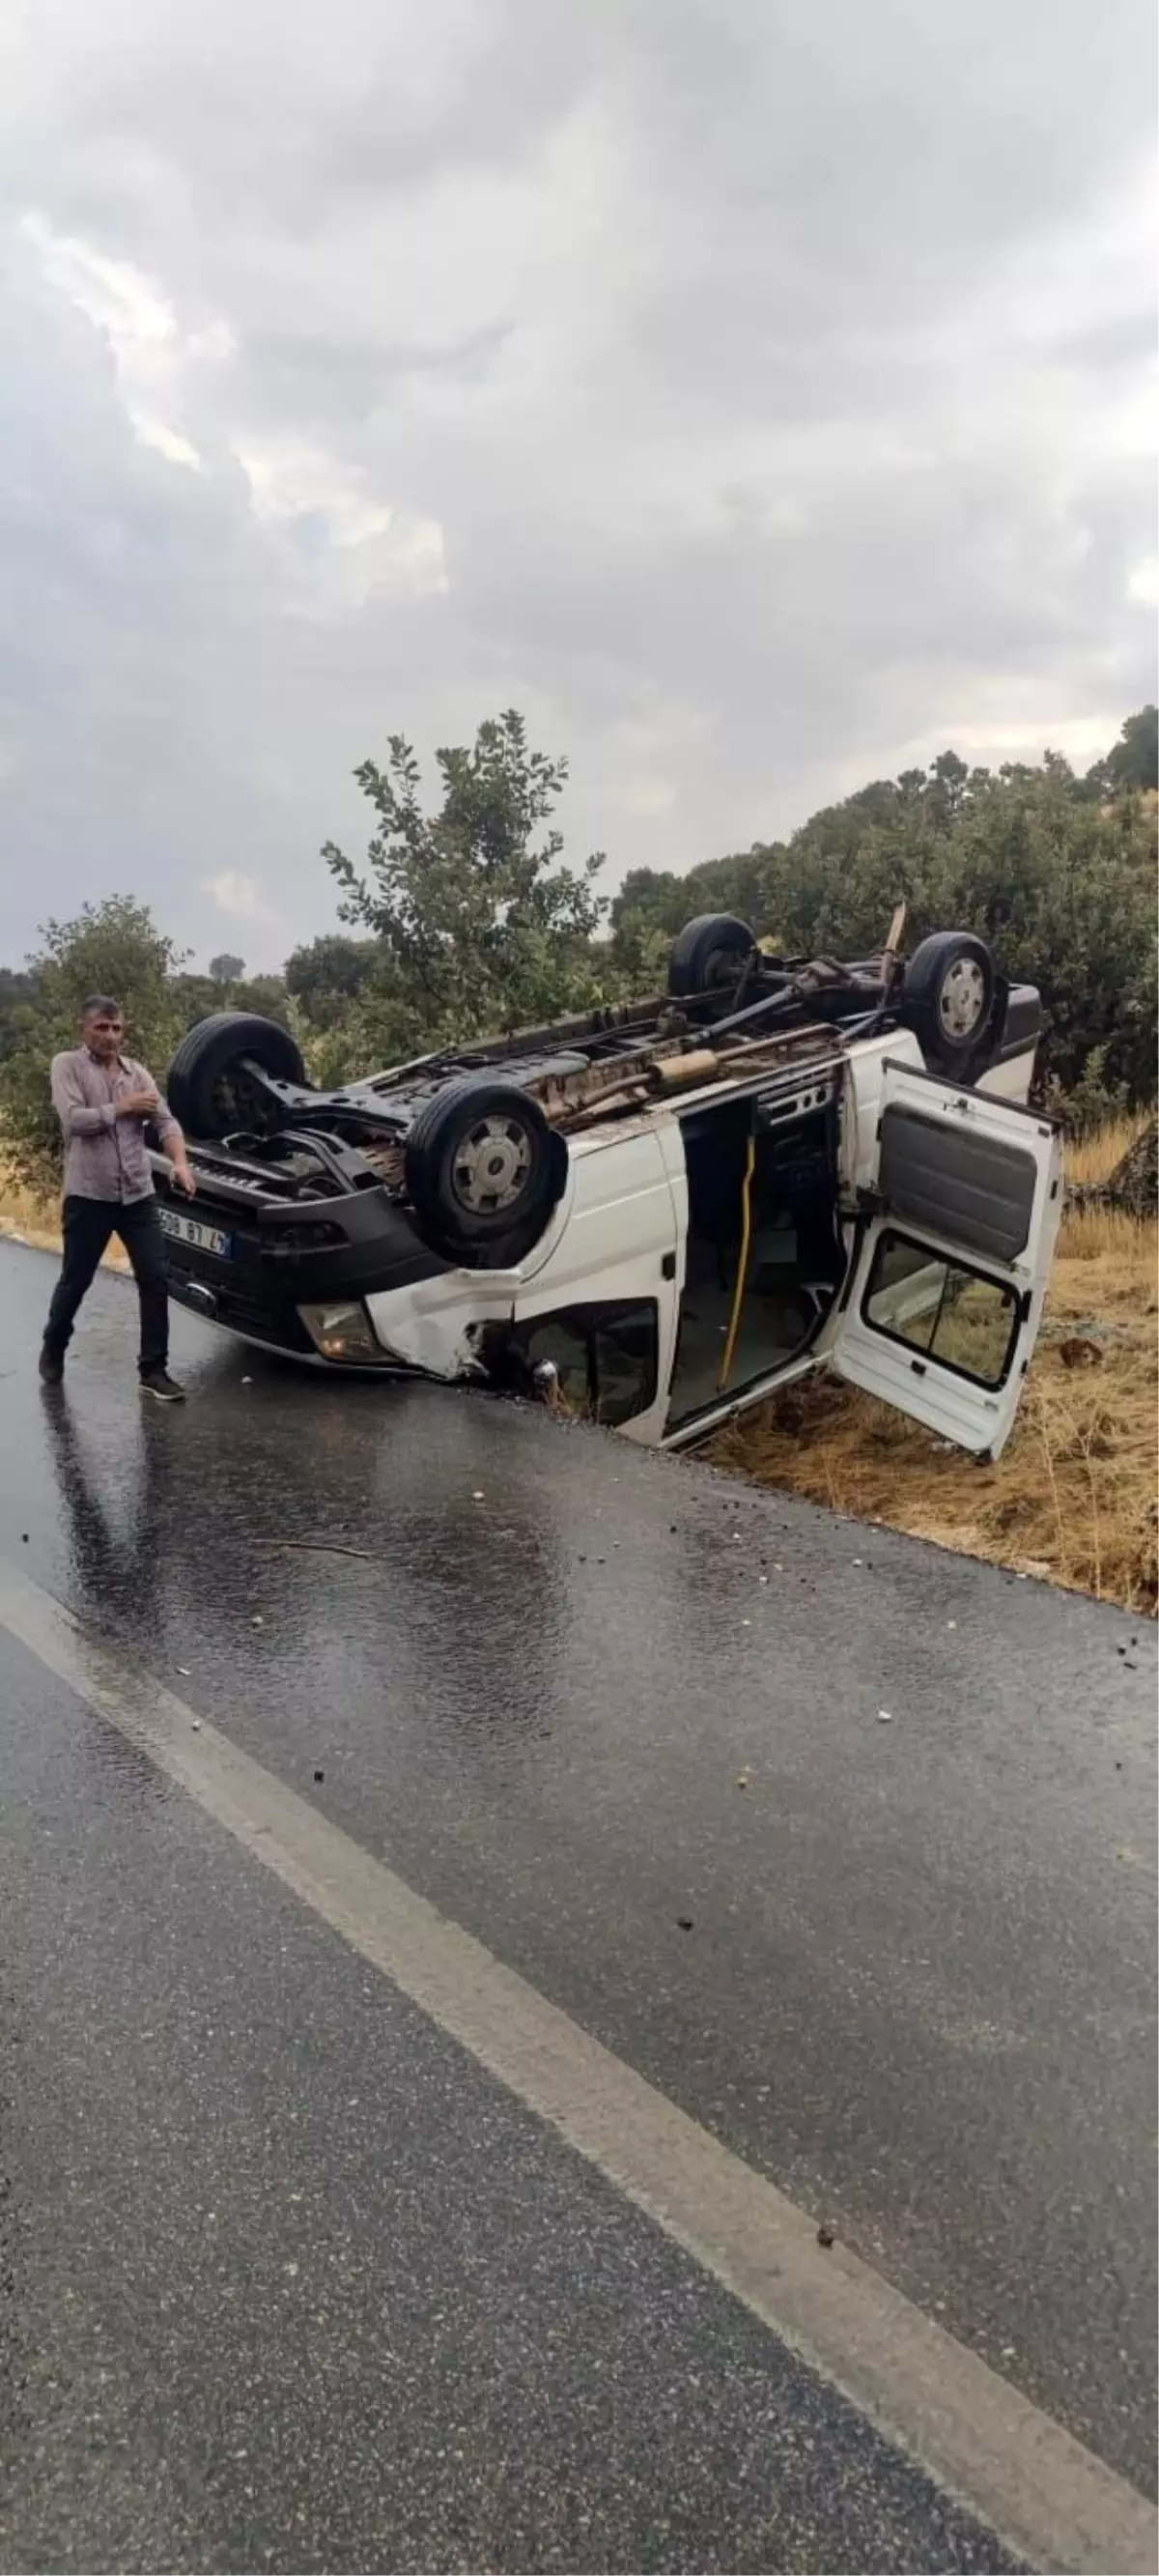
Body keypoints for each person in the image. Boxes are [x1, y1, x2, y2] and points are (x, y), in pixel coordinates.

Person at [40, 994, 197, 1401]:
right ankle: (54, 1346)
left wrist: (180, 1162)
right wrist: (122, 1107)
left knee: (155, 1276)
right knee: (76, 1280)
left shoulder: (137, 1072)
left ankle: (153, 1370)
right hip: (89, 1196)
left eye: (116, 1028)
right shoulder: (67, 1065)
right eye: (102, 1028)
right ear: (84, 1028)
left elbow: (165, 1121)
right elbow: (74, 1121)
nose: (111, 1036)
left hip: (138, 1195)